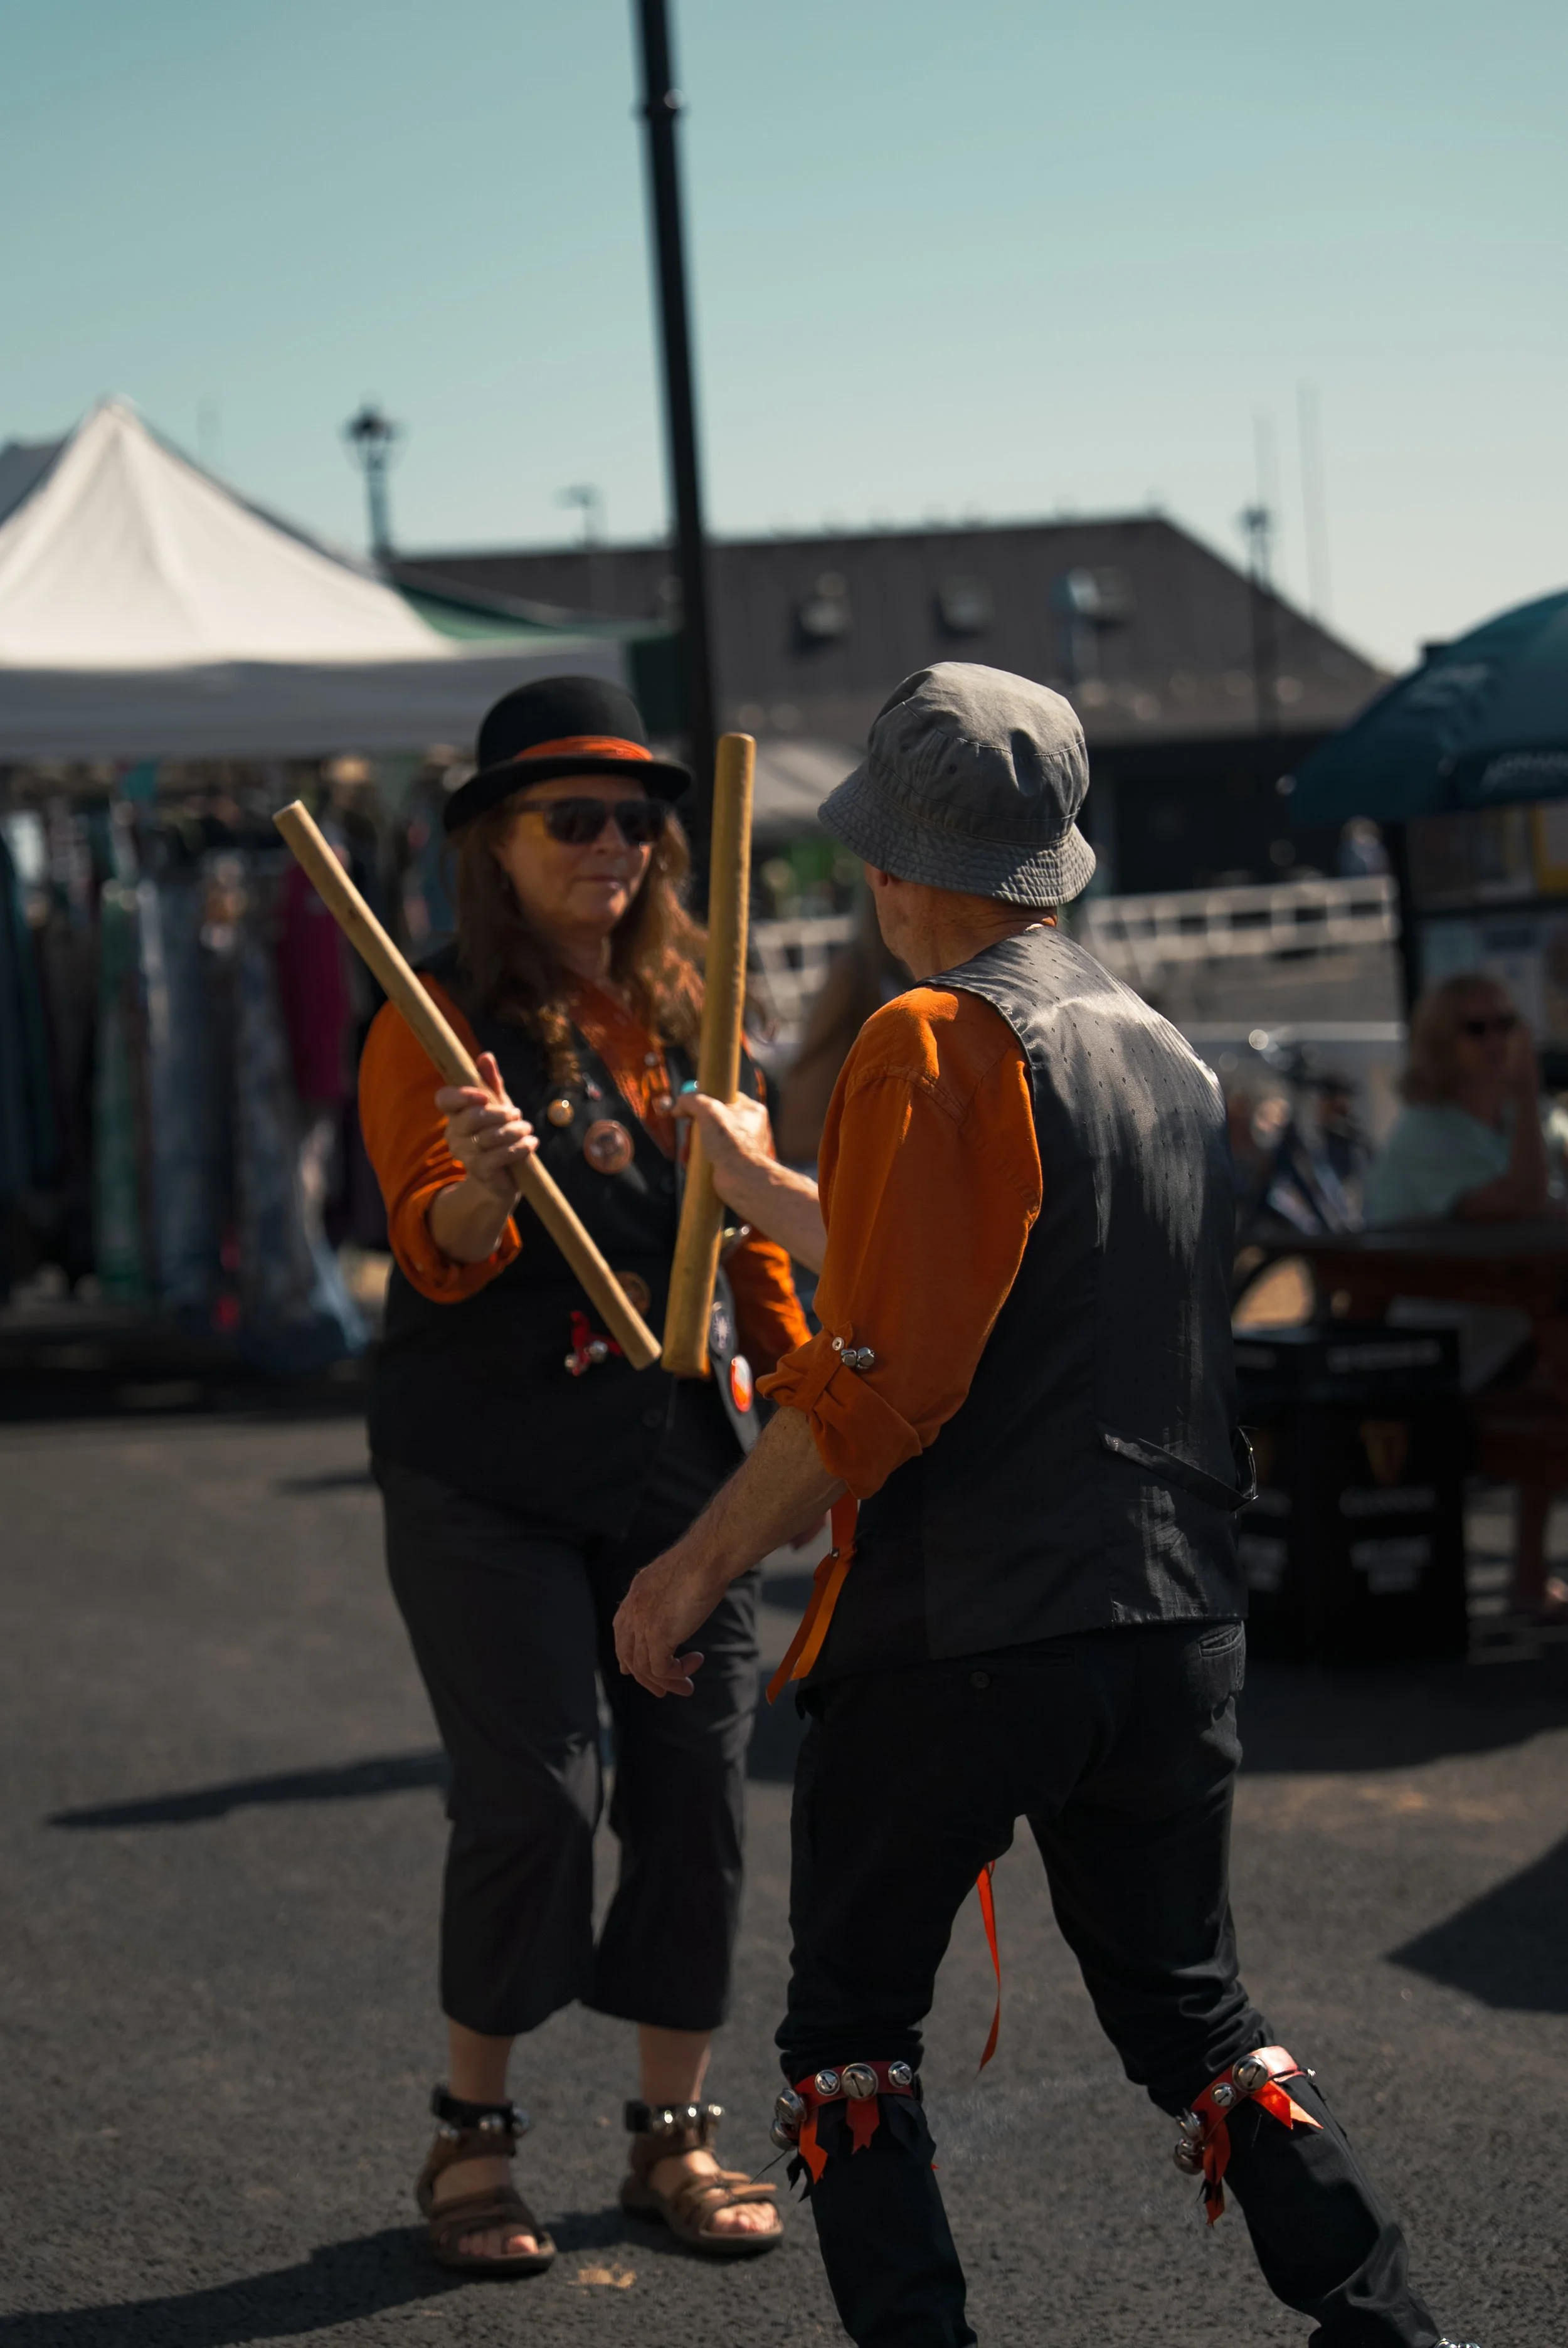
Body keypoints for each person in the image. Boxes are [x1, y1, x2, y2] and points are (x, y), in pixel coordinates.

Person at [615, 664, 1475, 2348]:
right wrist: (759, 1181)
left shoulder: (926, 1036)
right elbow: (986, 1277)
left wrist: (692, 1559)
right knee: (1192, 2017)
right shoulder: (1158, 1051)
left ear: (892, 866)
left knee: (849, 2035)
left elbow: (881, 1376)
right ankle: (1386, 2325)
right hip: (1169, 1619)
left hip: (964, 1624)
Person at [358, 674, 804, 2274]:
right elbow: (435, 1234)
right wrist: (483, 1187)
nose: (614, 843)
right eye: (574, 816)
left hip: (679, 1457)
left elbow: (758, 1249)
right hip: (485, 1466)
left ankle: (670, 2132)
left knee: (696, 1790)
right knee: (539, 1796)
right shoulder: (431, 1014)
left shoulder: (698, 1001)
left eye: (636, 817)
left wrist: (825, 1400)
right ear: (494, 839)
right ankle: (471, 2129)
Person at [1364, 971, 1560, 1227]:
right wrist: (1526, 1089)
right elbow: (1522, 1205)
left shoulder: (1517, 1116)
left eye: (1506, 1025)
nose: (1496, 1041)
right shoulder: (1425, 1133)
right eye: (1476, 1029)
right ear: (1440, 1042)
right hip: (1428, 1266)